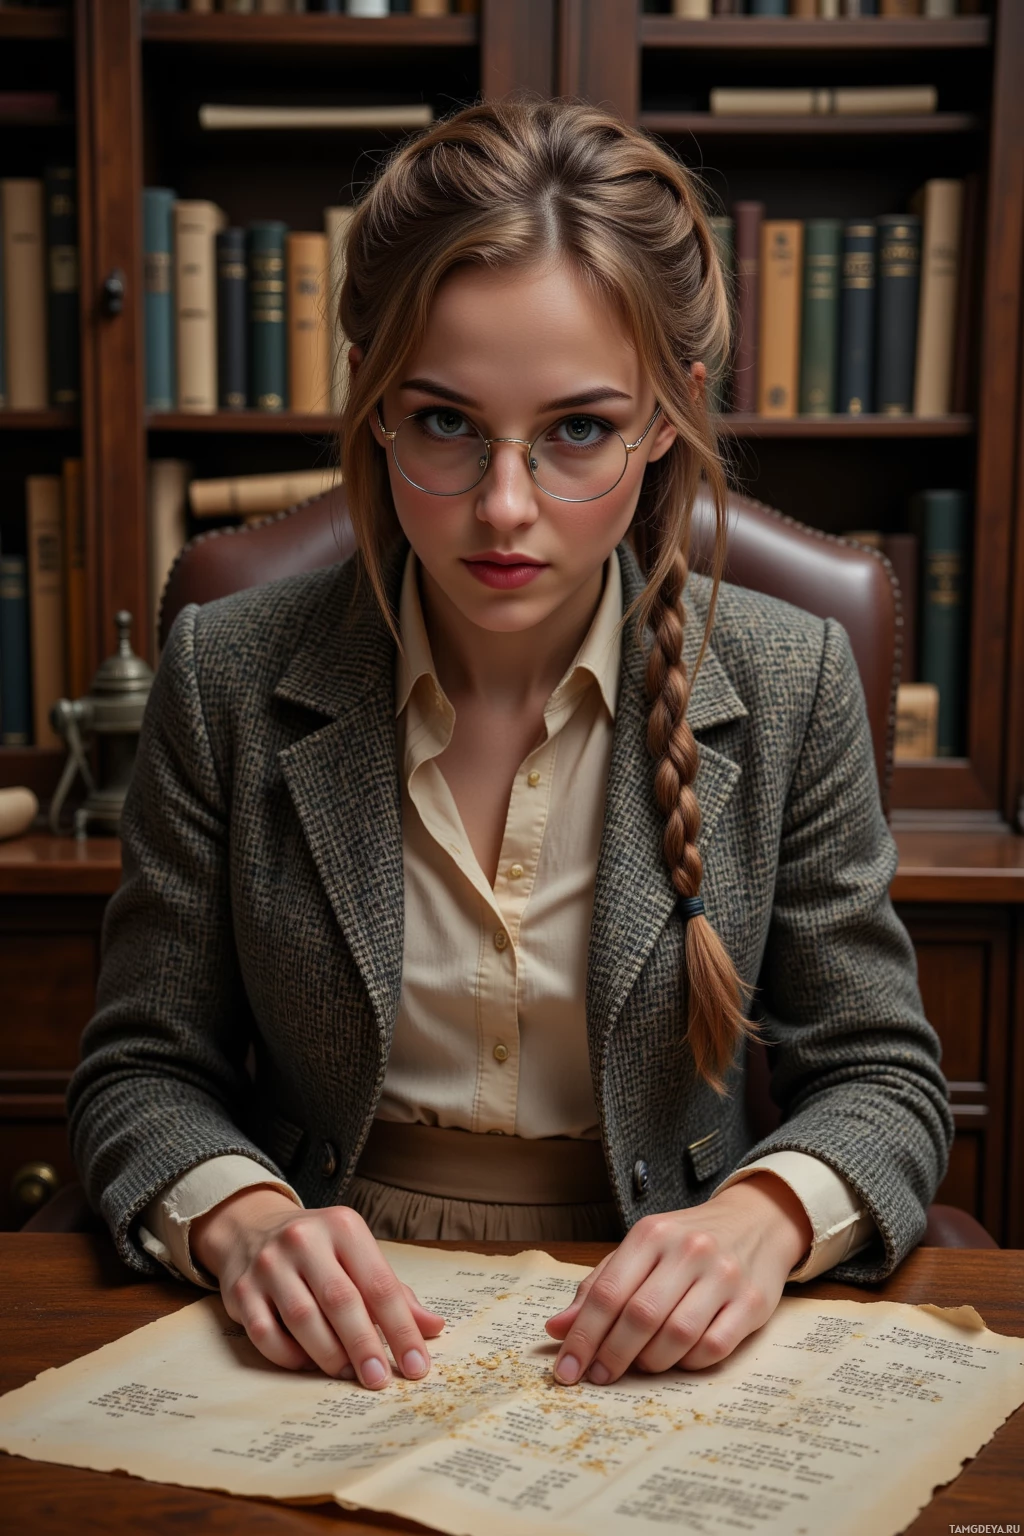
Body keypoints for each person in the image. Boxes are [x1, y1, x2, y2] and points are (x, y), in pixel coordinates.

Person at [68, 95, 952, 1397]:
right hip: (324, 1348)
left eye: (579, 430)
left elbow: (884, 1075)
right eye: (443, 422)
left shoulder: (790, 676)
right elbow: (140, 1069)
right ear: (373, 400)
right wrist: (243, 1223)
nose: (503, 506)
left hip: (652, 1346)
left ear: (667, 419)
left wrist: (760, 1223)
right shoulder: (227, 673)